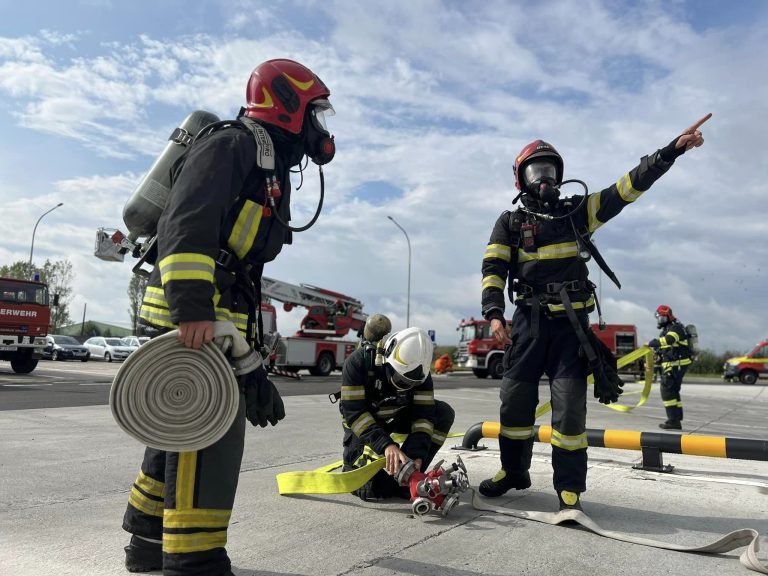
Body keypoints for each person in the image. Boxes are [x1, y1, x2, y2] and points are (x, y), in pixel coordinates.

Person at [121, 59, 336, 576]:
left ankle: (148, 544)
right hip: (191, 313)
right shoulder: (232, 144)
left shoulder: (267, 164)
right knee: (209, 433)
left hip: (216, 313)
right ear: (287, 105)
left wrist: (252, 357)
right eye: (315, 113)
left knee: (179, 427)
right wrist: (192, 309)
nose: (321, 129)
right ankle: (193, 561)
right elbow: (186, 222)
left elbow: (243, 269)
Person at [478, 114, 711, 511]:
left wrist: (669, 152)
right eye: (536, 170)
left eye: (549, 169)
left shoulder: (578, 213)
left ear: (560, 174)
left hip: (571, 330)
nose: (544, 177)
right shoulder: (511, 222)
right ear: (521, 179)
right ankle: (513, 472)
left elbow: (627, 188)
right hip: (528, 326)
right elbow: (493, 269)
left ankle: (569, 487)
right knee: (513, 404)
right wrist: (495, 314)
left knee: (569, 411)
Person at [339, 326, 455, 500]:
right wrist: (386, 445)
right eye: (401, 380)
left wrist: (416, 456)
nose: (406, 386)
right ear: (387, 359)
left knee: (443, 413)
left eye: (411, 383)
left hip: (396, 417)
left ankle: (410, 478)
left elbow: (423, 418)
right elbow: (354, 414)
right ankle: (355, 464)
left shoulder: (420, 374)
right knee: (376, 489)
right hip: (363, 425)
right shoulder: (358, 363)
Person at [647, 305, 692, 430]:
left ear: (667, 316)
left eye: (660, 317)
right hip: (672, 364)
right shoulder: (667, 329)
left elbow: (669, 340)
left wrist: (650, 343)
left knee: (667, 391)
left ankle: (673, 420)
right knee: (672, 391)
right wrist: (654, 359)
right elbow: (662, 350)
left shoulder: (675, 328)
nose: (658, 320)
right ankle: (676, 419)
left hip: (677, 364)